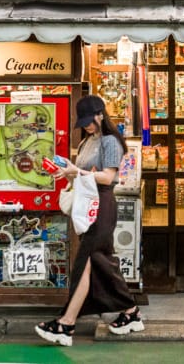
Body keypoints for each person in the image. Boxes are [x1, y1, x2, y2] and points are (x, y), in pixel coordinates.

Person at [35, 95, 143, 346]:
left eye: (89, 121)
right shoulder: (87, 142)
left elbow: (107, 178)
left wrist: (76, 171)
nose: (87, 126)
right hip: (87, 204)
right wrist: (66, 171)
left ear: (100, 115)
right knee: (100, 262)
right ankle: (130, 312)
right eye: (83, 123)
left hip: (101, 204)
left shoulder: (111, 141)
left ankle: (67, 323)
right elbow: (84, 176)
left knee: (87, 261)